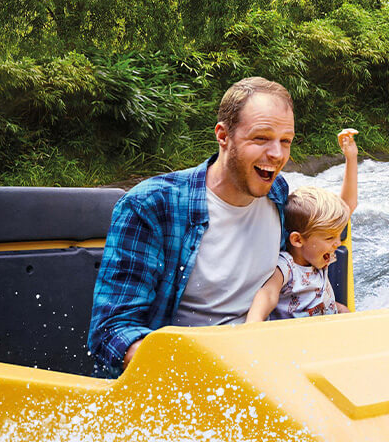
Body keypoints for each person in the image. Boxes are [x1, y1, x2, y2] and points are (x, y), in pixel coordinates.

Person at [87, 76, 297, 377]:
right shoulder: (151, 205)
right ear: (223, 136)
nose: (277, 154)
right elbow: (110, 334)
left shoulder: (277, 193)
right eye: (261, 138)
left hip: (262, 369)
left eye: (285, 141)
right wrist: (198, 369)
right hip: (179, 377)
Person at [246, 186, 353, 321]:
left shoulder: (318, 258)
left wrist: (339, 308)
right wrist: (253, 325)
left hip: (325, 329)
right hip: (297, 337)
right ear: (298, 240)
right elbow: (268, 294)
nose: (338, 243)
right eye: (330, 238)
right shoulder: (287, 266)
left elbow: (350, 205)